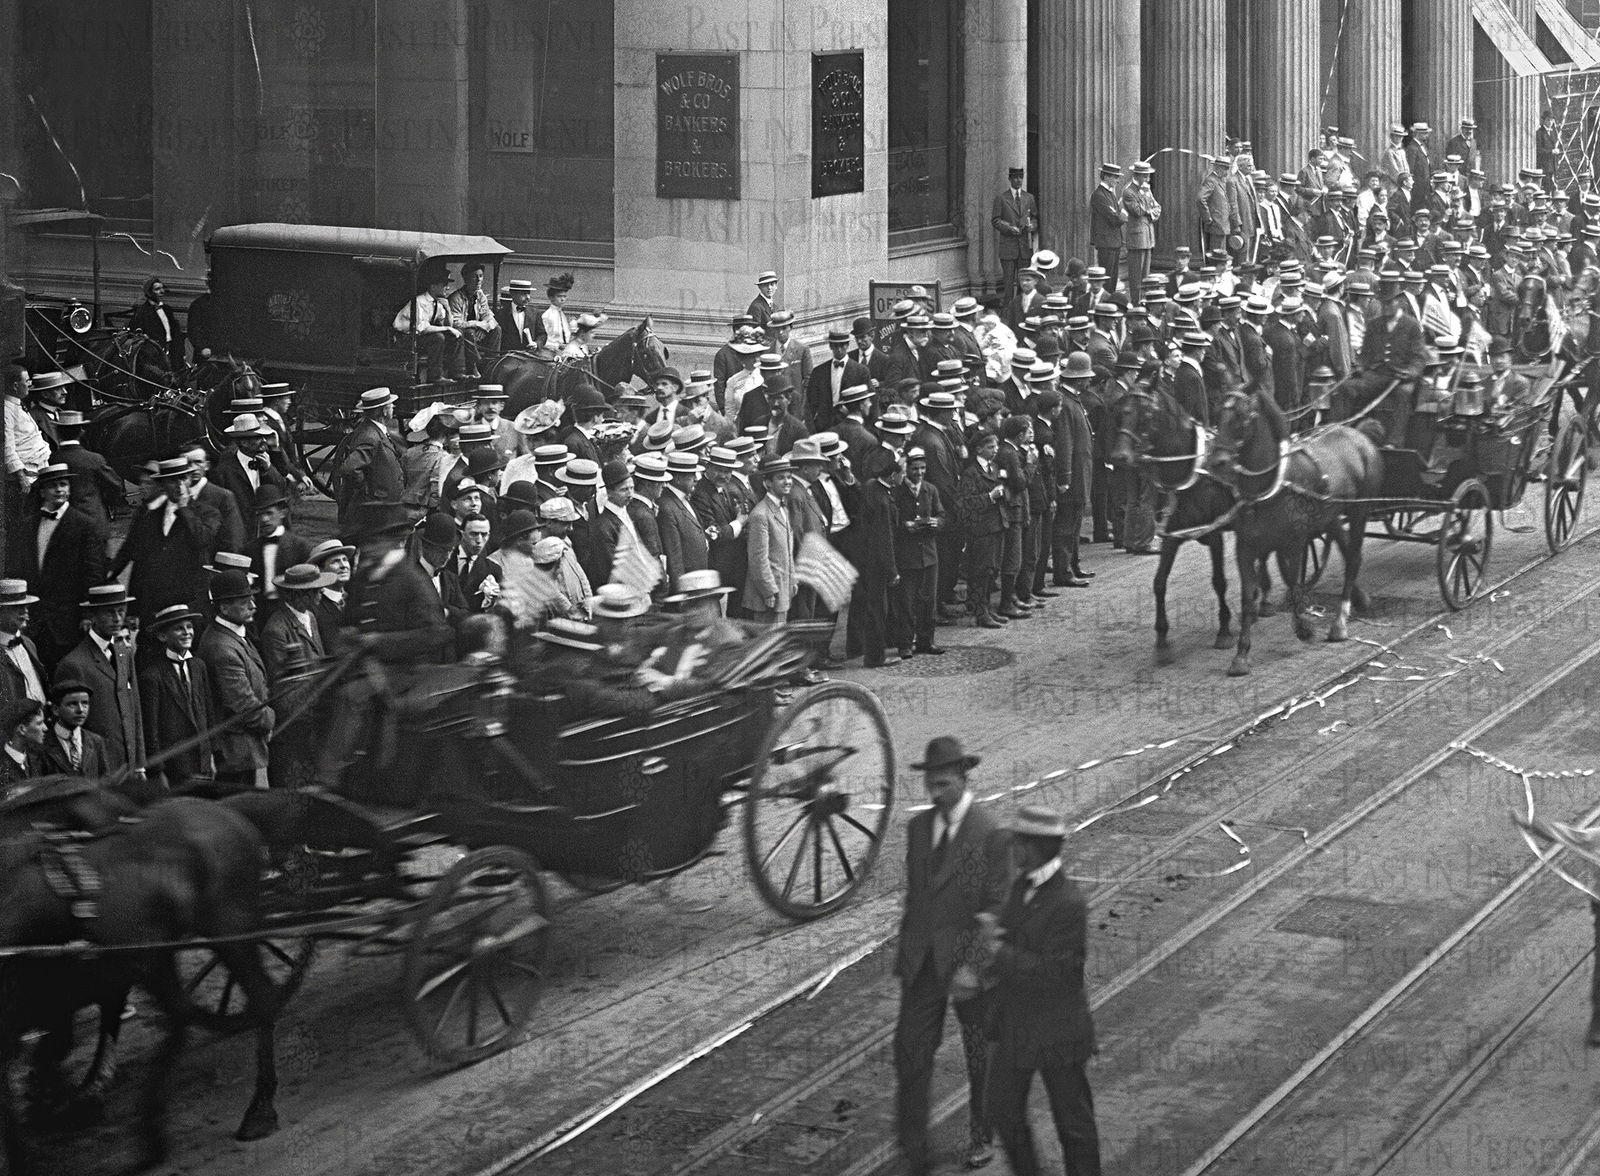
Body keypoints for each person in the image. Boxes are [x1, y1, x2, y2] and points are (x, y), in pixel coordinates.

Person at [894, 736, 1010, 1176]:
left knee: (980, 1055)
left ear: (963, 778)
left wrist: (973, 967)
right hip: (923, 961)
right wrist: (908, 955)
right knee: (911, 1050)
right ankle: (913, 1148)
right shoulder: (918, 829)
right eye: (930, 784)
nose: (934, 792)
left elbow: (999, 907)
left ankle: (982, 1136)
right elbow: (916, 896)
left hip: (970, 968)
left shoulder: (990, 834)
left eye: (943, 784)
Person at [982, 804, 1102, 1176]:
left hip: (1057, 1031)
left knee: (1073, 1125)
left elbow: (1060, 975)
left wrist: (998, 951)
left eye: (1017, 843)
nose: (1012, 850)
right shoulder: (1023, 885)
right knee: (1003, 1109)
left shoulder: (1068, 903)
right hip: (1017, 1025)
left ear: (1034, 848)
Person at [10, 463, 106, 673]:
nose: (60, 489)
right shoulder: (28, 525)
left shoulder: (84, 525)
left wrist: (88, 614)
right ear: (42, 492)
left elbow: (93, 574)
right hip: (34, 622)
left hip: (69, 621)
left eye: (64, 484)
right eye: (53, 486)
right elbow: (19, 568)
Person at [110, 457, 223, 627]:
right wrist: (133, 609)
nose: (179, 486)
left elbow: (201, 539)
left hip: (189, 605)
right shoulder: (150, 516)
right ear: (163, 485)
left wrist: (184, 509)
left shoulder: (207, 513)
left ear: (189, 480)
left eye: (183, 479)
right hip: (154, 605)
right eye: (172, 481)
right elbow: (139, 563)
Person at [55, 584, 146, 777]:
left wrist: (139, 764)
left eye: (121, 611)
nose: (117, 618)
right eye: (109, 612)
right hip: (98, 769)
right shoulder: (74, 664)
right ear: (92, 616)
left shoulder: (124, 653)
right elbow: (71, 726)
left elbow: (134, 708)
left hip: (129, 766)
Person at [197, 569, 274, 789]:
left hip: (244, 749)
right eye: (244, 602)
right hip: (234, 753)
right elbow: (243, 704)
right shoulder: (221, 647)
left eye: (251, 599)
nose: (253, 606)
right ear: (223, 608)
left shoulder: (234, 635)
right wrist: (270, 720)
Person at [138, 603, 217, 789]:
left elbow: (208, 714)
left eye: (189, 627)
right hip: (174, 767)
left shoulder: (198, 666)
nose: (187, 632)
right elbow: (151, 730)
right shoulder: (152, 676)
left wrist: (211, 756)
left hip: (203, 761)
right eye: (179, 628)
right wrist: (158, 772)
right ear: (163, 636)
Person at [894, 447, 943, 658]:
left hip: (929, 555)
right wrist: (905, 526)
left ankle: (926, 641)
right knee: (906, 602)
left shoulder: (930, 490)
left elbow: (941, 514)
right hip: (907, 556)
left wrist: (936, 522)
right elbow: (892, 522)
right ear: (907, 469)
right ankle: (905, 644)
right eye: (915, 469)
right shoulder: (897, 492)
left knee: (928, 600)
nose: (920, 473)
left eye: (923, 468)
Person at [337, 388, 406, 525]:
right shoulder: (370, 436)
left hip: (384, 505)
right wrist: (369, 491)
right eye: (391, 405)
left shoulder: (374, 431)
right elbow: (349, 468)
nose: (393, 407)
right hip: (377, 507)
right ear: (384, 411)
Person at [743, 455, 797, 624]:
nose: (787, 482)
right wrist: (769, 591)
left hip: (783, 588)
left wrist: (793, 579)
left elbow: (787, 551)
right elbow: (758, 559)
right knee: (769, 637)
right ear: (768, 483)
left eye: (789, 477)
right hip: (768, 595)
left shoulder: (783, 509)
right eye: (781, 478)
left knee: (779, 636)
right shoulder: (760, 514)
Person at [392, 266, 463, 383]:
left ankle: (457, 373)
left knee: (456, 335)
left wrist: (448, 309)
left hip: (419, 337)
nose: (447, 288)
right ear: (433, 286)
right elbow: (423, 328)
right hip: (405, 339)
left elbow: (447, 324)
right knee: (438, 338)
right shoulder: (419, 301)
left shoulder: (438, 302)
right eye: (444, 285)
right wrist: (447, 328)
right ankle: (435, 376)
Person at [39, 679, 109, 778]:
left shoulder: (95, 741)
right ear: (56, 710)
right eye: (72, 704)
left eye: (85, 703)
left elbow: (105, 780)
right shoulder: (42, 743)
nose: (81, 710)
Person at [448, 262, 500, 378]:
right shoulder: (456, 298)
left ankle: (491, 364)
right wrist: (477, 324)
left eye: (480, 276)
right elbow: (455, 323)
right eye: (474, 276)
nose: (478, 280)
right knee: (469, 333)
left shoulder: (480, 295)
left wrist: (486, 328)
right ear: (465, 279)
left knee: (497, 330)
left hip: (477, 333)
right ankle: (476, 366)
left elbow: (488, 316)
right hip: (461, 336)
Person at [992, 166, 1038, 296]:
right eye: (1016, 178)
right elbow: (995, 220)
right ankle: (1008, 307)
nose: (1019, 180)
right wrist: (1009, 228)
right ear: (1010, 179)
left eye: (1021, 178)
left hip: (1024, 248)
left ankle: (1021, 306)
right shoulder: (1001, 198)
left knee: (1024, 284)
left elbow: (1035, 218)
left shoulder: (1029, 197)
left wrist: (1032, 226)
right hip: (1008, 248)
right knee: (1008, 285)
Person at [129, 277, 186, 372]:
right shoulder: (142, 312)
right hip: (154, 355)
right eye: (157, 289)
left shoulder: (167, 309)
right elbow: (136, 335)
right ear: (149, 292)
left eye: (162, 288)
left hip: (172, 351)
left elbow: (176, 332)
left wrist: (180, 351)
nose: (162, 291)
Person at [0, 699, 47, 793]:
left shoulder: (39, 759)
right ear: (22, 729)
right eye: (39, 723)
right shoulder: (2, 767)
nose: (45, 728)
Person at [537, 272, 575, 353]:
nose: (563, 299)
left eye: (564, 296)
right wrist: (557, 346)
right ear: (551, 298)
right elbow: (543, 338)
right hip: (550, 353)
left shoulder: (562, 315)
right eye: (559, 296)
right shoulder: (547, 316)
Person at [497, 278, 539, 350]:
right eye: (523, 294)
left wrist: (536, 344)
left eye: (528, 293)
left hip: (529, 354)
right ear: (513, 294)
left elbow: (542, 334)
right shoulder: (501, 314)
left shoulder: (534, 313)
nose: (528, 297)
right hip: (508, 355)